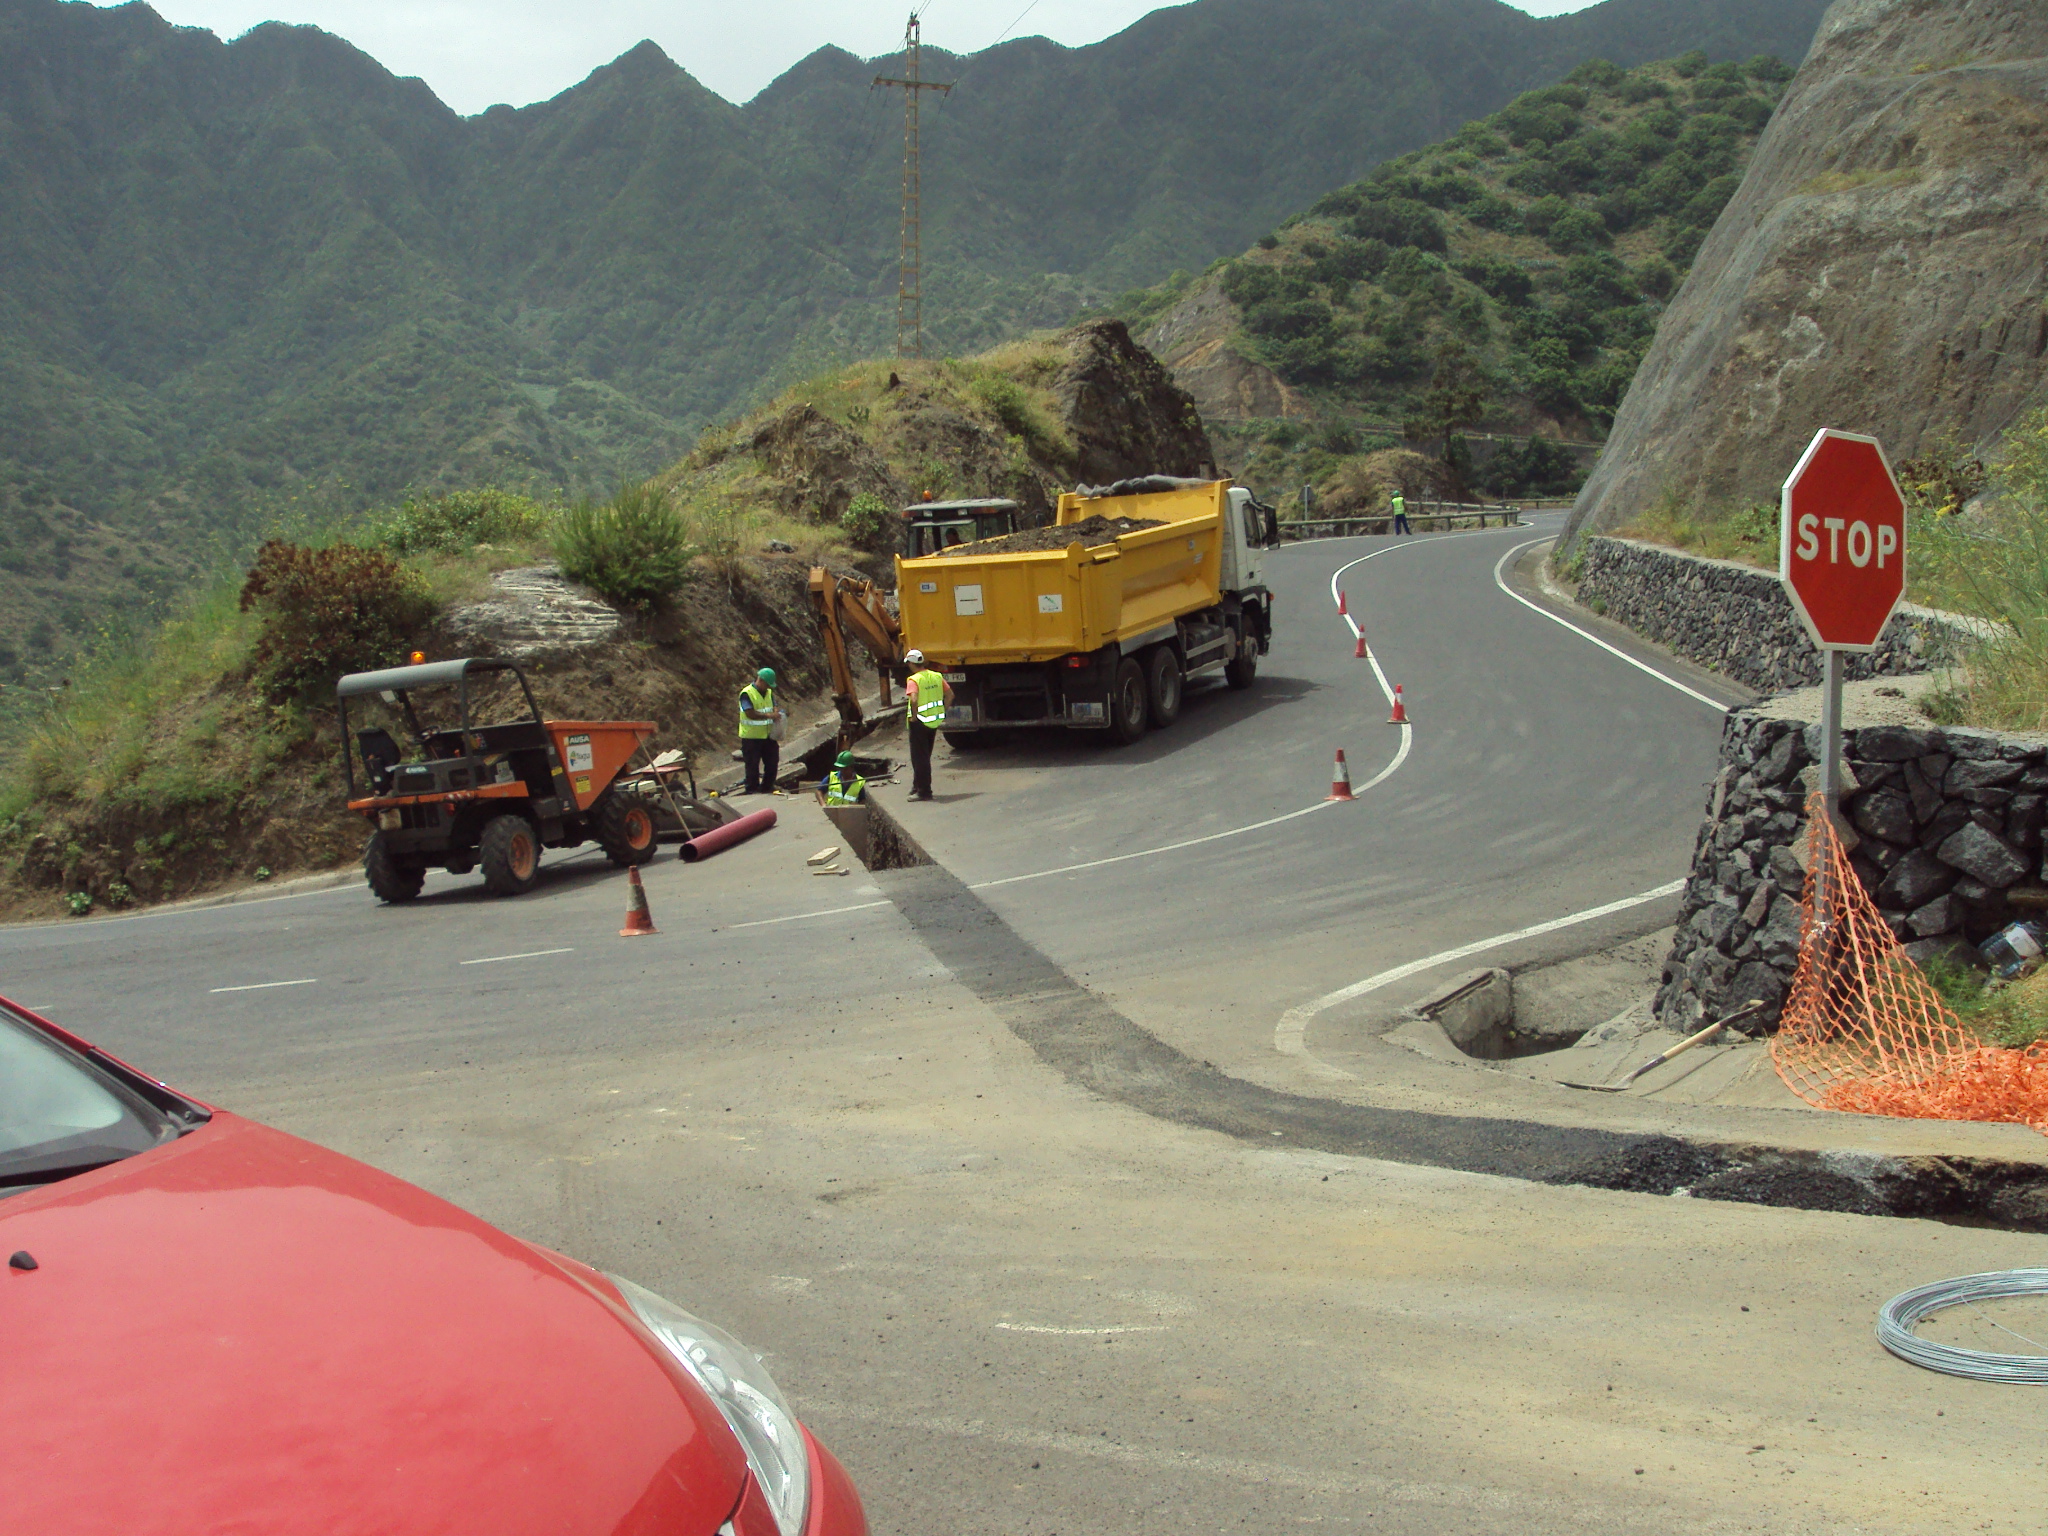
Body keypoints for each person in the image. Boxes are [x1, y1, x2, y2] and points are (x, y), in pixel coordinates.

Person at [901, 648, 953, 802]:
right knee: (924, 755)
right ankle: (917, 786)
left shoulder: (914, 680)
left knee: (919, 757)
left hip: (920, 723)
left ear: (911, 663)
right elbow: (950, 695)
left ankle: (924, 791)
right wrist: (942, 711)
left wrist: (915, 716)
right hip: (933, 721)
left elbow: (914, 699)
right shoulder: (936, 676)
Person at [737, 667, 785, 794]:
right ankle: (752, 789)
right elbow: (749, 713)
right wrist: (769, 716)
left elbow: (774, 704)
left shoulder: (768, 692)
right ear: (761, 681)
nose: (769, 687)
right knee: (752, 765)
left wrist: (776, 712)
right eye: (768, 684)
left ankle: (767, 786)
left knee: (772, 762)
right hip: (752, 737)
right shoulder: (747, 693)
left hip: (768, 736)